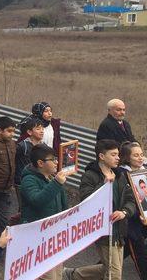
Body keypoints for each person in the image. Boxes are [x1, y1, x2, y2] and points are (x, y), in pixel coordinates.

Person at [64, 140, 136, 280]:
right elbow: (86, 201)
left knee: (110, 268)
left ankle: (73, 274)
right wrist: (104, 185)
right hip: (102, 230)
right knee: (114, 274)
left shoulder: (120, 175)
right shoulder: (90, 175)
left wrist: (124, 212)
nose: (118, 158)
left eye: (118, 155)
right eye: (113, 154)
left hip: (119, 229)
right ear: (102, 156)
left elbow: (130, 199)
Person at [19, 144, 70, 280]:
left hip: (55, 235)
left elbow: (63, 205)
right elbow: (37, 201)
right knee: (47, 277)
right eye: (52, 159)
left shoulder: (52, 178)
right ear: (40, 163)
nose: (57, 162)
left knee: (57, 275)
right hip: (38, 237)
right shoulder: (28, 180)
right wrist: (57, 183)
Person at [118, 141, 147, 280]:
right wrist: (139, 214)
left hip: (144, 220)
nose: (140, 158)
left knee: (122, 253)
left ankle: (87, 274)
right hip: (131, 223)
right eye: (136, 155)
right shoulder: (122, 175)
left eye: (141, 154)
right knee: (141, 256)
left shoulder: (144, 170)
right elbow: (124, 203)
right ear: (127, 157)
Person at [14, 118, 44, 202]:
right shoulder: (23, 146)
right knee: (24, 207)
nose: (42, 131)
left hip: (37, 181)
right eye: (38, 129)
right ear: (29, 132)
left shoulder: (43, 146)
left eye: (42, 128)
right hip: (22, 182)